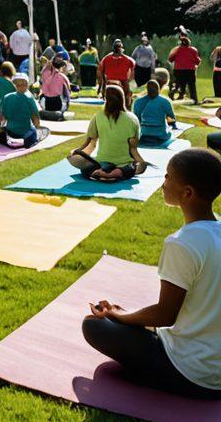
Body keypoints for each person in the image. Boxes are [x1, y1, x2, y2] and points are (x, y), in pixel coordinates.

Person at [82, 147, 221, 400]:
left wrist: (118, 316)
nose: (163, 183)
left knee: (93, 326)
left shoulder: (182, 243)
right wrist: (126, 316)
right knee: (121, 318)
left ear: (187, 193)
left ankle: (151, 377)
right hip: (216, 367)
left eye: (168, 177)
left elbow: (165, 315)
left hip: (192, 373)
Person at [68, 85, 146, 181]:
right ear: (122, 98)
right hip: (124, 164)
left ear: (105, 98)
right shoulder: (133, 119)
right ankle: (117, 173)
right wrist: (142, 163)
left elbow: (89, 143)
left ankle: (101, 173)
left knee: (84, 170)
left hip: (102, 163)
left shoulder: (97, 117)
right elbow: (133, 148)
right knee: (133, 168)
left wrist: (77, 152)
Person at [0, 74, 49, 148]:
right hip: (25, 132)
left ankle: (7, 138)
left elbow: (1, 118)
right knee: (35, 132)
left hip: (11, 132)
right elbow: (36, 120)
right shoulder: (29, 99)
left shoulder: (6, 97)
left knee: (2, 130)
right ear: (27, 85)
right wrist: (36, 128)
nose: (22, 87)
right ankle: (28, 140)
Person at [132, 79, 178, 146]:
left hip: (144, 134)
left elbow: (136, 120)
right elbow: (172, 118)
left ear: (147, 89)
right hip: (161, 136)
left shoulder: (138, 102)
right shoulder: (164, 101)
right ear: (158, 89)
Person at [100, 39, 136, 105]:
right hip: (122, 82)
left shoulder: (105, 58)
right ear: (121, 49)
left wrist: (102, 87)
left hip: (110, 82)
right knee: (128, 95)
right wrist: (129, 79)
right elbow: (134, 68)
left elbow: (102, 73)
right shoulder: (128, 59)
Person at [169, 33, 202, 104]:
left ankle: (174, 92)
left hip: (178, 70)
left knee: (179, 84)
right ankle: (194, 101)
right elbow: (197, 61)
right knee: (191, 86)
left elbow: (170, 59)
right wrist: (198, 62)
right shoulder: (193, 50)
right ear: (189, 43)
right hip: (189, 70)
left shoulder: (176, 50)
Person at [38, 55, 72, 120]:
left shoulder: (45, 74)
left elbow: (43, 90)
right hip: (57, 102)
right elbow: (68, 91)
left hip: (47, 102)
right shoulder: (62, 77)